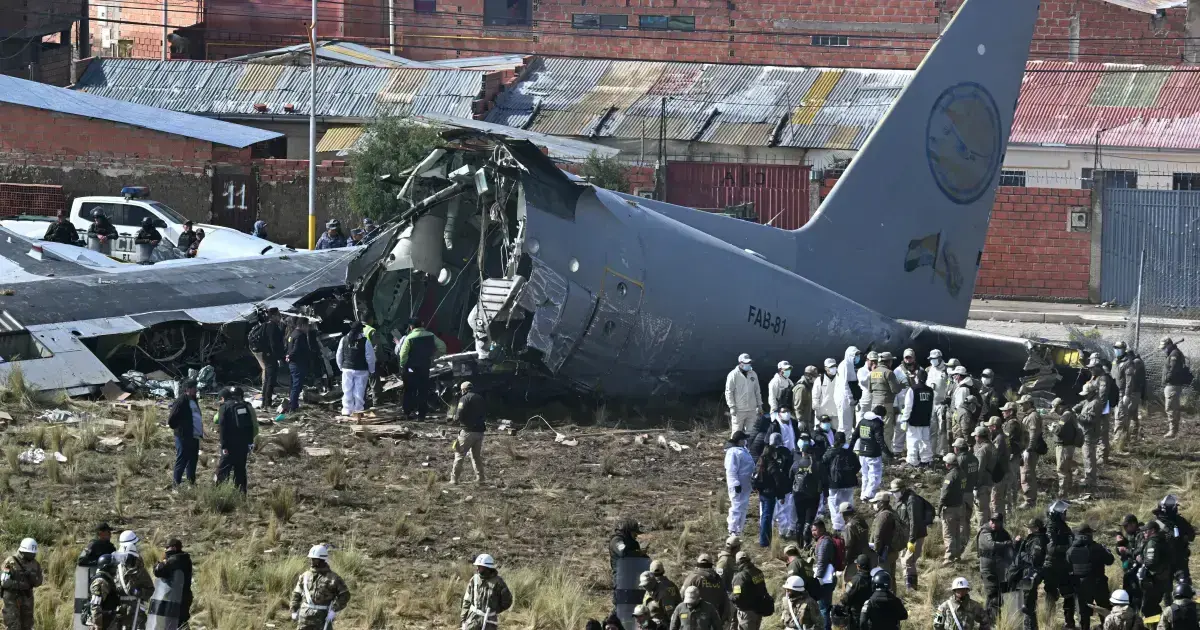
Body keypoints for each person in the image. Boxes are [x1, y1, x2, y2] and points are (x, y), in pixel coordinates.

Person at [291, 544, 351, 629]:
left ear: (322, 560)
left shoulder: (333, 578)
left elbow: (345, 595)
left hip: (322, 619)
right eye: (311, 559)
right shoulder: (305, 576)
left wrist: (333, 611)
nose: (312, 562)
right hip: (304, 619)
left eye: (314, 559)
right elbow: (296, 593)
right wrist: (294, 610)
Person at [397, 318, 447, 420]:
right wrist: (433, 357)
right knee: (423, 391)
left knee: (409, 390)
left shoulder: (409, 338)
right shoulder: (431, 335)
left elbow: (403, 354)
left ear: (411, 327)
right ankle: (421, 415)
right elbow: (443, 347)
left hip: (411, 369)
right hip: (425, 367)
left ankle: (408, 413)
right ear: (422, 324)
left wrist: (403, 365)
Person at [1067, 524, 1114, 630]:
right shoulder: (1098, 548)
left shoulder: (1070, 551)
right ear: (1088, 534)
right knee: (1104, 610)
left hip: (1081, 586)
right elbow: (1110, 560)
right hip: (1099, 584)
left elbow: (1068, 566)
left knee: (1084, 613)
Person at [892, 478, 932, 590]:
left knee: (908, 561)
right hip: (905, 536)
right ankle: (909, 585)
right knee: (904, 559)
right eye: (893, 492)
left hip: (915, 535)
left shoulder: (912, 500)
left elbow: (914, 521)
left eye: (896, 491)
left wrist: (911, 540)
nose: (894, 494)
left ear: (903, 489)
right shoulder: (900, 501)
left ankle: (911, 587)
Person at [216, 387, 256, 493]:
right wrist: (250, 442)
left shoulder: (224, 407)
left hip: (230, 445)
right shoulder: (243, 406)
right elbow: (250, 426)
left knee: (224, 469)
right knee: (240, 469)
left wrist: (224, 446)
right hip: (242, 444)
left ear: (223, 398)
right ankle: (241, 493)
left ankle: (220, 492)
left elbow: (223, 428)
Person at [1044, 501, 1076, 630]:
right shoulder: (1051, 527)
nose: (1066, 515)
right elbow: (1051, 548)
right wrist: (1068, 547)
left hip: (1063, 565)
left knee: (1069, 595)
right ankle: (1048, 622)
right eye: (1064, 513)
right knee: (1051, 594)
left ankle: (1069, 623)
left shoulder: (1063, 526)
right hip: (1052, 566)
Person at [755, 434, 792, 547]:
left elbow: (755, 477)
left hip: (762, 492)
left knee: (765, 516)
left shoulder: (760, 460)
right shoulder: (773, 463)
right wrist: (781, 495)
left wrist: (757, 488)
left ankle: (765, 538)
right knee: (771, 515)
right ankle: (766, 540)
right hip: (771, 492)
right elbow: (778, 479)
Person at [167, 379, 203, 487]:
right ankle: (175, 484)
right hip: (183, 436)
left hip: (194, 435)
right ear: (187, 389)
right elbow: (171, 419)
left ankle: (191, 482)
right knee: (182, 459)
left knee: (193, 459)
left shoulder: (194, 400)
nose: (196, 390)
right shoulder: (181, 401)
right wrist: (180, 429)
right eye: (194, 388)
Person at [450, 381, 487, 485]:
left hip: (467, 431)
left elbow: (459, 414)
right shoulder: (480, 398)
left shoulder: (464, 398)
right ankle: (480, 478)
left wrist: (455, 419)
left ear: (464, 389)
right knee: (476, 456)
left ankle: (454, 479)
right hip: (480, 432)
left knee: (459, 454)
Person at [1151, 494, 1195, 582]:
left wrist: (1183, 537)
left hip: (1171, 561)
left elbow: (1191, 535)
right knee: (1179, 588)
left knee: (1176, 588)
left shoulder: (1156, 523)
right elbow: (1192, 536)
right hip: (1170, 561)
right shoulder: (1157, 523)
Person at [336, 322, 376, 416]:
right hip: (361, 369)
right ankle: (358, 410)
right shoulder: (365, 341)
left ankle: (346, 410)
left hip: (347, 369)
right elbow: (370, 357)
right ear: (360, 330)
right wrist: (372, 370)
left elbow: (339, 354)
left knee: (347, 390)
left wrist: (341, 366)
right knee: (359, 391)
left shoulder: (344, 339)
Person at [977, 513, 1014, 615]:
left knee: (999, 595)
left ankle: (989, 620)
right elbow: (991, 545)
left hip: (1001, 570)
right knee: (993, 595)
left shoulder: (1003, 533)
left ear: (1001, 523)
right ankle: (991, 621)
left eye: (996, 521)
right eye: (992, 521)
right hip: (988, 570)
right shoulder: (985, 532)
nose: (993, 523)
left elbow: (1011, 549)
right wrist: (1006, 544)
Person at [0, 538, 41, 630]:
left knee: (27, 626)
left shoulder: (35, 564)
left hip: (27, 600)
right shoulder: (10, 562)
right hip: (12, 600)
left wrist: (32, 576)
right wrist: (18, 585)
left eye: (34, 553)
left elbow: (39, 582)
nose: (33, 555)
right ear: (23, 551)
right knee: (13, 626)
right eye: (31, 553)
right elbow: (4, 582)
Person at [1015, 518, 1048, 630]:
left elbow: (1034, 559)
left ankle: (1030, 627)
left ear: (1036, 529)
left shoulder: (1038, 540)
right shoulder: (1034, 539)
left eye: (1030, 528)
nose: (1028, 530)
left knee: (1027, 605)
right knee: (1027, 604)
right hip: (1029, 573)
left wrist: (1022, 554)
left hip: (1033, 574)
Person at [1112, 341, 1146, 449]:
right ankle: (1126, 439)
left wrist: (1127, 394)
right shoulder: (1115, 361)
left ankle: (1118, 442)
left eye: (1119, 348)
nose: (1117, 350)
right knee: (1125, 416)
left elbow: (1129, 381)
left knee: (1121, 417)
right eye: (1116, 348)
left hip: (1124, 393)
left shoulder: (1129, 362)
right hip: (1116, 392)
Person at [115, 531, 154, 625]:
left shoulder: (138, 567)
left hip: (136, 610)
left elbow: (149, 589)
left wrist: (138, 592)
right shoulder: (117, 567)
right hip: (120, 611)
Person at [865, 352, 902, 451]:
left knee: (875, 428)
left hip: (875, 404)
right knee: (886, 429)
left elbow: (869, 389)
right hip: (886, 404)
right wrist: (901, 385)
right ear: (888, 362)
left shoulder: (872, 372)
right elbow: (895, 390)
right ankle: (885, 453)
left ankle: (875, 450)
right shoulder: (889, 373)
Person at [823, 432, 859, 531]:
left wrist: (828, 477)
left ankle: (837, 527)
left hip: (834, 483)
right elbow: (857, 466)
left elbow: (823, 465)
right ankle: (849, 525)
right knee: (848, 504)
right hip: (849, 483)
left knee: (834, 505)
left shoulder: (830, 452)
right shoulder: (850, 452)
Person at [152, 538, 193, 626]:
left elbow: (158, 571)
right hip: (183, 597)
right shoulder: (184, 558)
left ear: (174, 548)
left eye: (167, 547)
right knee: (181, 624)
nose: (165, 550)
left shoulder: (175, 560)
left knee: (171, 624)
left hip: (176, 600)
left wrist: (160, 562)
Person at [852, 409, 891, 501]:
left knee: (865, 475)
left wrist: (850, 449)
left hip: (862, 452)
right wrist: (888, 453)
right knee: (875, 475)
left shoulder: (863, 420)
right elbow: (880, 440)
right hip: (873, 453)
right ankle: (868, 495)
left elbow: (855, 435)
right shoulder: (877, 423)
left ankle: (863, 493)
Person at [253, 308, 286, 410]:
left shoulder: (265, 325)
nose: (280, 317)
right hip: (271, 356)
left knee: (268, 378)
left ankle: (265, 401)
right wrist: (279, 357)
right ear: (273, 316)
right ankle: (267, 403)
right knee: (270, 379)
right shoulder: (272, 327)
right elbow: (274, 344)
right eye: (278, 315)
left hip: (266, 355)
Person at [1137, 520, 1171, 618]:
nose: (1144, 533)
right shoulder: (1162, 539)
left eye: (1145, 531)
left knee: (1148, 608)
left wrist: (1141, 560)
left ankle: (1157, 625)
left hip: (1155, 579)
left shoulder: (1153, 542)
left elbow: (1151, 561)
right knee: (1153, 605)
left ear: (1152, 530)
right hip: (1162, 577)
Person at [731, 552, 772, 630]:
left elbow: (736, 596)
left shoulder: (739, 577)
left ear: (737, 562)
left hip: (747, 612)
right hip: (758, 609)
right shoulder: (758, 572)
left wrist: (730, 597)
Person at [940, 453, 969, 565]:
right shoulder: (962, 474)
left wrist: (940, 506)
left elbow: (944, 493)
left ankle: (949, 558)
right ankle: (957, 555)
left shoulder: (950, 476)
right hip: (960, 506)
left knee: (948, 534)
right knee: (957, 532)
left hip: (950, 509)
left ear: (948, 464)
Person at [725, 431, 755, 537]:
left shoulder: (743, 450)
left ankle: (739, 529)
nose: (746, 441)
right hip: (738, 485)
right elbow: (731, 470)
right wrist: (735, 483)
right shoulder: (732, 452)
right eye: (744, 439)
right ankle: (732, 529)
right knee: (736, 506)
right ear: (740, 441)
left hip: (746, 485)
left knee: (743, 506)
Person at [726, 354, 763, 438]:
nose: (748, 364)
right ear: (740, 363)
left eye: (749, 362)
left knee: (751, 432)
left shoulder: (753, 374)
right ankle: (733, 449)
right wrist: (732, 406)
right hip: (739, 410)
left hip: (752, 409)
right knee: (737, 432)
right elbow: (729, 392)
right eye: (746, 363)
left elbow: (757, 391)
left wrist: (759, 405)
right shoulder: (733, 375)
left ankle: (748, 449)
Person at [1074, 382, 1103, 490]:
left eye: (1087, 394)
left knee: (1089, 456)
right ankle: (1088, 477)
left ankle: (1091, 481)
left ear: (1092, 392)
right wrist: (1073, 409)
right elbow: (1082, 404)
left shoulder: (1095, 403)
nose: (1085, 396)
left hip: (1090, 433)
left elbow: (1090, 420)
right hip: (1086, 432)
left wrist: (1077, 416)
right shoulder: (1089, 400)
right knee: (1087, 456)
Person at [793, 445, 823, 547]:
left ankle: (799, 543)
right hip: (813, 495)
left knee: (800, 519)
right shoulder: (817, 465)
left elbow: (790, 475)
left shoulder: (797, 463)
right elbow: (824, 479)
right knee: (809, 520)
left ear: (803, 453)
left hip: (798, 495)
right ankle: (807, 543)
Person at [903, 372, 935, 468]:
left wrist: (904, 419)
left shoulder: (913, 389)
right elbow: (931, 406)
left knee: (913, 440)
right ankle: (927, 460)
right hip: (926, 420)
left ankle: (912, 461)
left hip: (914, 420)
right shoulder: (930, 390)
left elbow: (908, 406)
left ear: (917, 378)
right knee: (925, 440)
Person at [1051, 398, 1081, 497]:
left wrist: (1052, 429)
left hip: (1064, 446)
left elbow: (1059, 431)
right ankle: (1069, 489)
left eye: (1055, 409)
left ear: (1060, 406)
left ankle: (1062, 493)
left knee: (1062, 469)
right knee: (1067, 469)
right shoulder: (1070, 414)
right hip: (1069, 445)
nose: (1055, 411)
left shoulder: (1065, 416)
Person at [1161, 337, 1190, 438]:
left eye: (1164, 347)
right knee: (1172, 407)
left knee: (1171, 408)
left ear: (1168, 345)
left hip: (1173, 385)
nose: (1163, 349)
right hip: (1172, 385)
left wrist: (1167, 378)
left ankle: (1173, 431)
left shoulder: (1174, 354)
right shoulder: (1173, 353)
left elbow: (1173, 370)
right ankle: (1173, 430)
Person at [811, 519, 837, 630]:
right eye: (812, 530)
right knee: (825, 607)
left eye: (815, 530)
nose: (813, 532)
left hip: (824, 580)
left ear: (821, 529)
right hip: (827, 578)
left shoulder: (824, 542)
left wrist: (818, 579)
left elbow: (822, 562)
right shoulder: (824, 540)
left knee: (823, 608)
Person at [869, 492, 901, 580]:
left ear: (881, 503)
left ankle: (887, 593)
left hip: (884, 553)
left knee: (883, 577)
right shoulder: (892, 512)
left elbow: (878, 536)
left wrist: (876, 552)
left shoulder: (883, 516)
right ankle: (892, 593)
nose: (874, 505)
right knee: (891, 577)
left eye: (876, 502)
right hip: (892, 550)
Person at [926, 349, 951, 457]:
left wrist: (947, 399)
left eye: (934, 359)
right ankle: (932, 451)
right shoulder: (929, 369)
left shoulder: (947, 370)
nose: (932, 361)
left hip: (942, 404)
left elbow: (951, 385)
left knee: (942, 429)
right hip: (931, 404)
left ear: (940, 358)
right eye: (931, 359)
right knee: (932, 429)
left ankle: (942, 452)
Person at [285, 318, 312, 413]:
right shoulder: (301, 335)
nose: (308, 328)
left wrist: (288, 356)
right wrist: (290, 356)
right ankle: (293, 407)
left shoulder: (292, 334)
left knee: (293, 385)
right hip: (298, 363)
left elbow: (288, 347)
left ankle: (293, 404)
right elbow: (296, 349)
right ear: (303, 325)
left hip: (292, 363)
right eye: (308, 326)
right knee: (297, 385)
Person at [972, 427, 997, 531]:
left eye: (976, 436)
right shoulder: (991, 446)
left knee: (981, 509)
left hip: (982, 483)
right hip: (990, 480)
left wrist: (975, 486)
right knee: (986, 507)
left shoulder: (982, 450)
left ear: (979, 437)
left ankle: (982, 531)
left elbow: (979, 469)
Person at [834, 347, 862, 437]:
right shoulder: (845, 365)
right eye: (855, 355)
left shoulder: (850, 366)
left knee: (848, 426)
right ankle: (840, 447)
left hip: (848, 399)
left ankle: (845, 446)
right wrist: (850, 398)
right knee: (844, 426)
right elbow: (844, 384)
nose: (857, 357)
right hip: (844, 399)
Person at [87, 554, 120, 630]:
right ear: (106, 567)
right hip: (102, 624)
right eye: (112, 567)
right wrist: (98, 627)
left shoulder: (107, 579)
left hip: (107, 622)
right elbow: (95, 607)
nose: (115, 569)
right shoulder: (101, 582)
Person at [988, 418, 1012, 519]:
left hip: (999, 474)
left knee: (996, 500)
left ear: (993, 427)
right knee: (1001, 499)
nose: (988, 428)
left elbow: (995, 456)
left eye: (989, 426)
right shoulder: (1004, 436)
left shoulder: (999, 439)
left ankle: (997, 521)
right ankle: (1002, 519)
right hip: (1005, 471)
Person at [841, 504, 871, 584]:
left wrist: (845, 561)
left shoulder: (849, 526)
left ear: (843, 514)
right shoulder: (861, 521)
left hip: (854, 560)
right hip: (865, 557)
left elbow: (848, 545)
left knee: (848, 582)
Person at [840, 555, 873, 626]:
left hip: (856, 617)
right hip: (870, 616)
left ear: (858, 566)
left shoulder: (856, 580)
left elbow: (845, 598)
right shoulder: (873, 579)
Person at [813, 358, 840, 426]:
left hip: (836, 413)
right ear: (825, 368)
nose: (833, 368)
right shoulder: (820, 379)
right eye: (831, 367)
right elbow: (815, 397)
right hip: (823, 413)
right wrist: (817, 411)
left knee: (835, 433)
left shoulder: (839, 378)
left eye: (834, 366)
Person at [792, 366, 818, 430]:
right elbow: (798, 405)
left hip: (807, 420)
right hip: (802, 421)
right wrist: (800, 420)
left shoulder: (808, 386)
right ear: (809, 376)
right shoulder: (802, 388)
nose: (815, 378)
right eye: (814, 376)